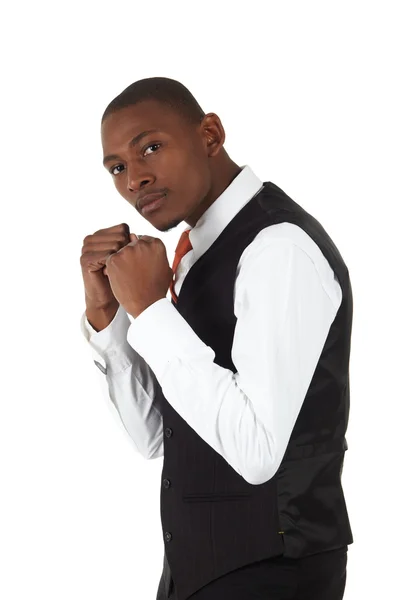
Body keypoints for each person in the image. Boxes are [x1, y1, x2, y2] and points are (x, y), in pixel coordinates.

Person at [80, 77, 353, 600]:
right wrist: (109, 317)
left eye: (151, 148)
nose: (134, 178)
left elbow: (257, 453)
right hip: (194, 572)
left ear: (210, 134)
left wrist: (153, 309)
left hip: (274, 573)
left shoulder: (278, 246)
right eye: (117, 167)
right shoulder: (195, 254)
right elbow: (156, 438)